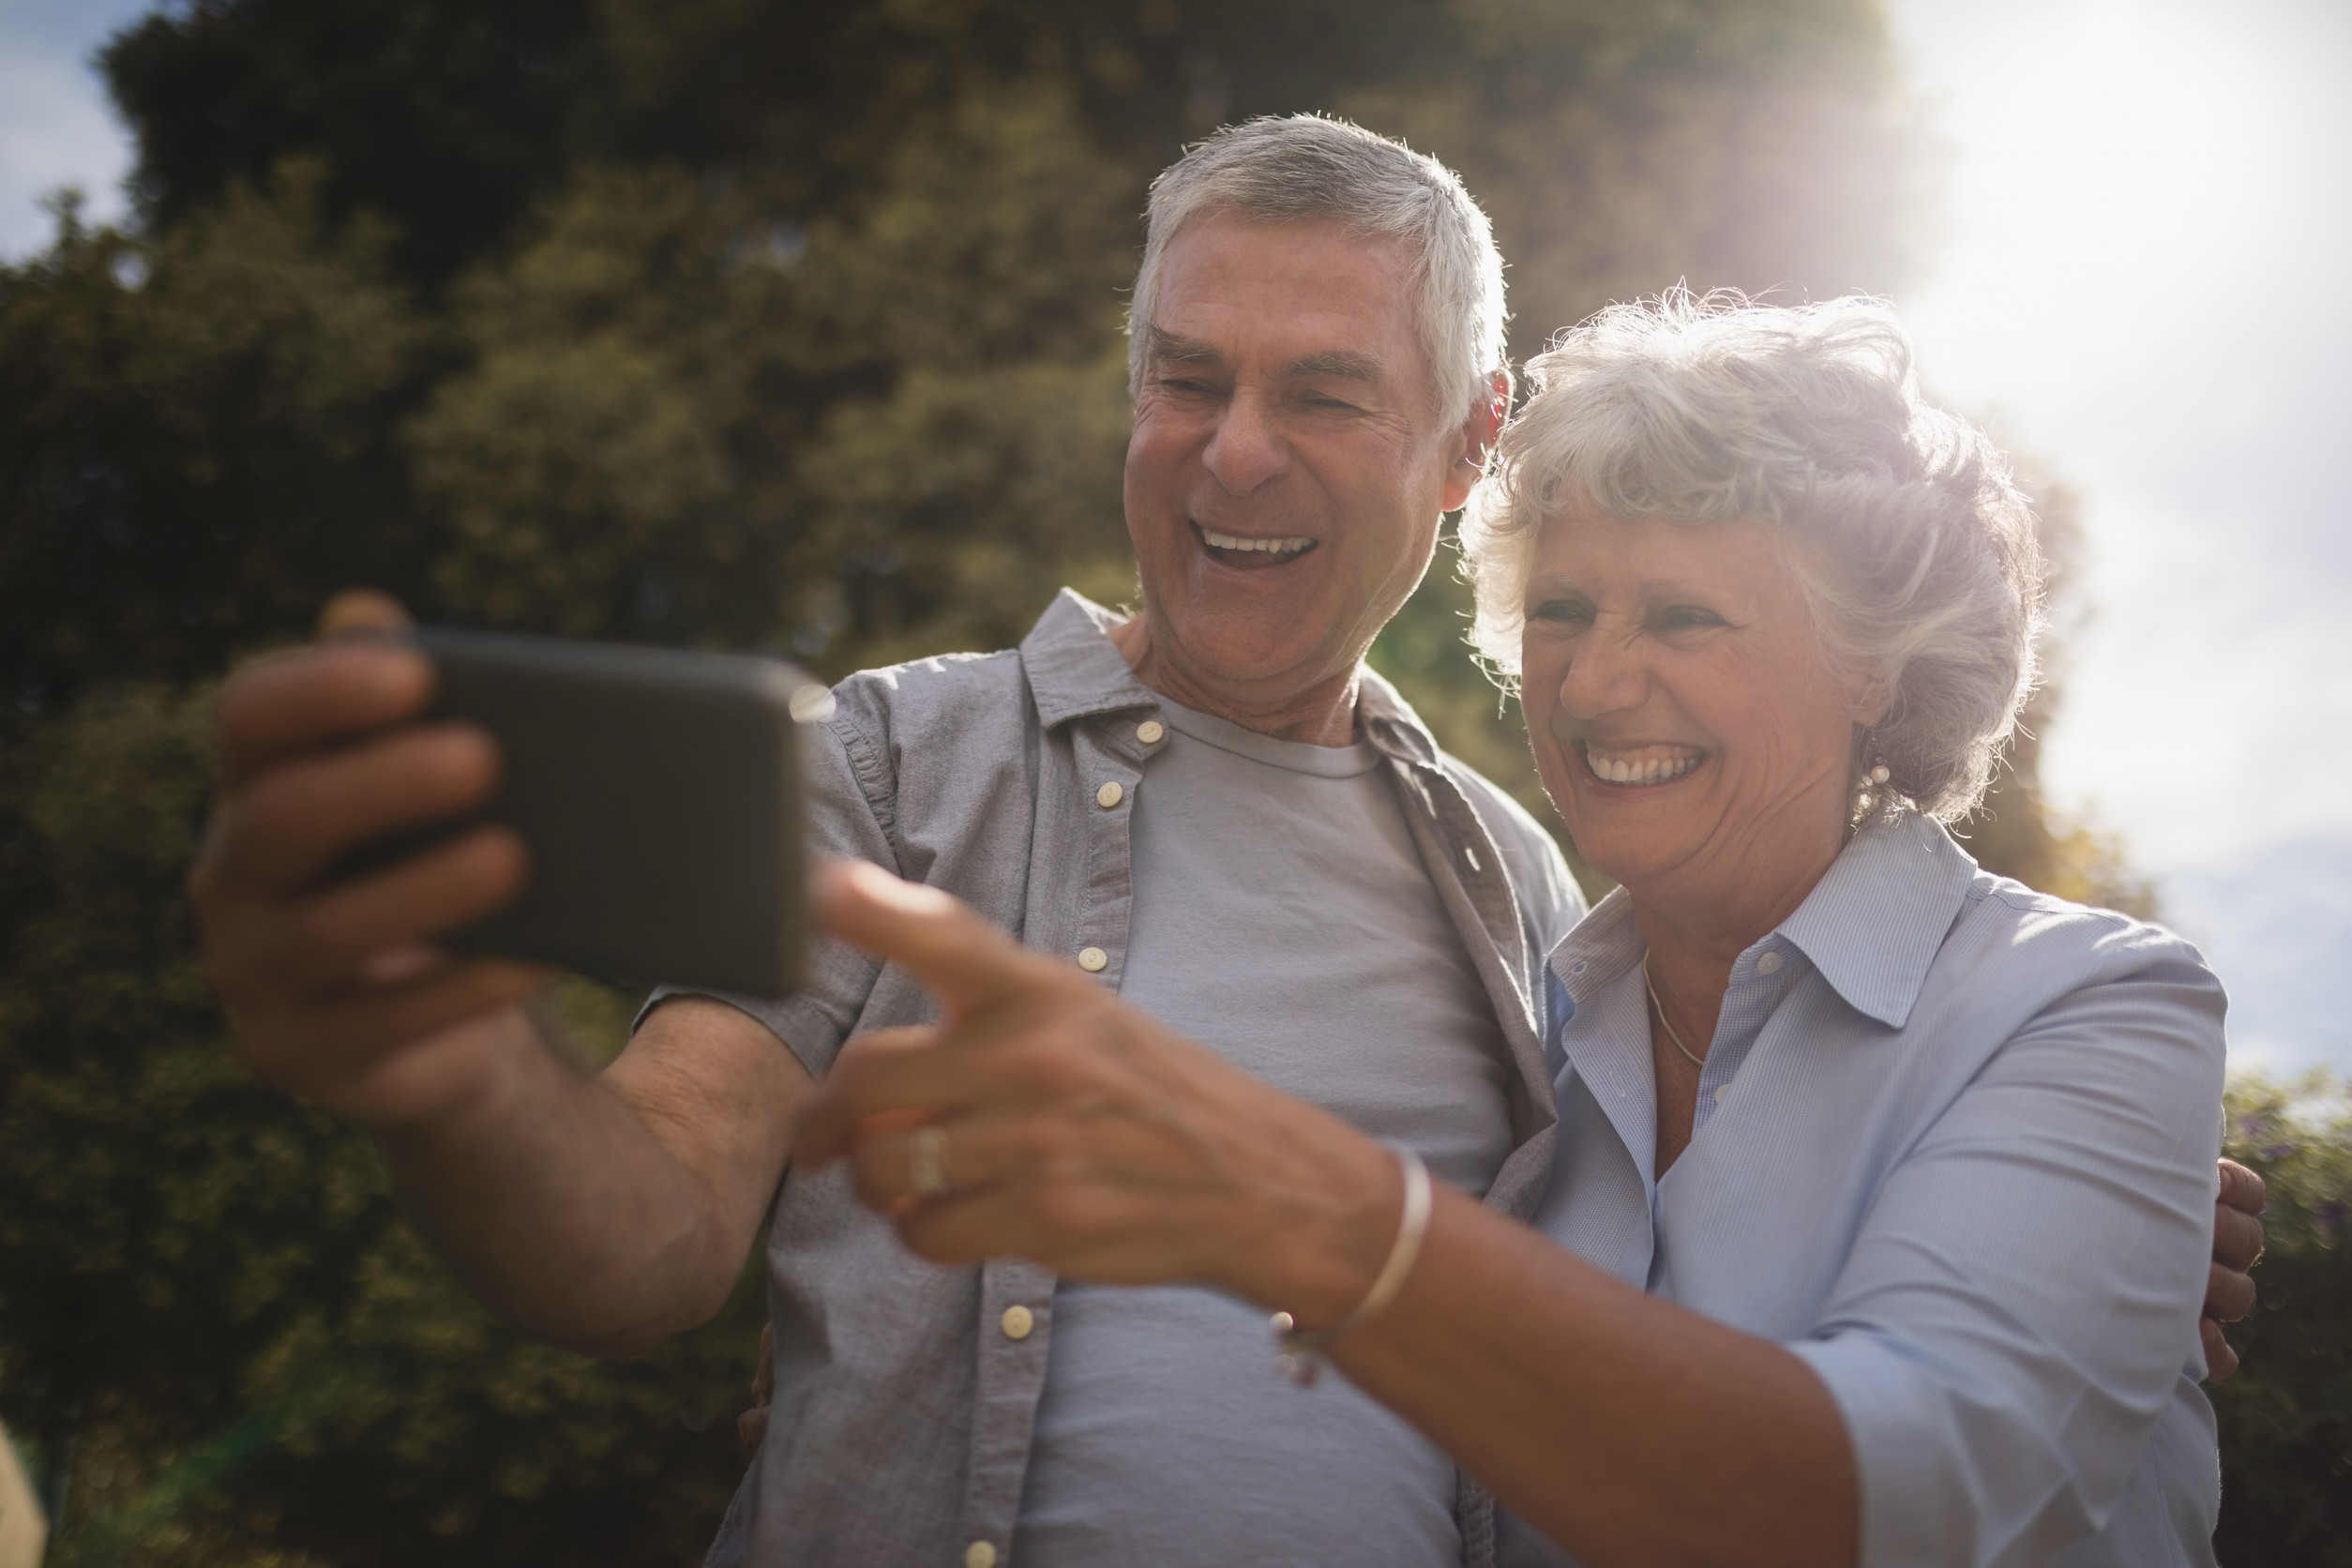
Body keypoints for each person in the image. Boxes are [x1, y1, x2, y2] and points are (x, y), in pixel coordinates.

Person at [189, 116, 2260, 1566]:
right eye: (1184, 378)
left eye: (1326, 394)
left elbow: (1841, 1428)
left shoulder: (1529, 900)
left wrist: (2094, 1216)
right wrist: (456, 1072)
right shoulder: (906, 762)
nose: (1233, 450)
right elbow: (647, 1219)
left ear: (1466, 448)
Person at [785, 292, 2245, 1567]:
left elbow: (1887, 1508)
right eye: (1561, 610)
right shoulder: (1520, 1042)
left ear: (1877, 668)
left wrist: (1327, 1224)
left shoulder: (2085, 1009)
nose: (1597, 686)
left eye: (1684, 620)